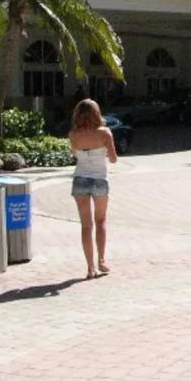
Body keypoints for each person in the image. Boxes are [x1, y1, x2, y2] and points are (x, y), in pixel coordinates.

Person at [69, 99, 118, 279]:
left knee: (86, 225)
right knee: (101, 221)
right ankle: (101, 261)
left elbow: (74, 154)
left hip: (80, 180)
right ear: (97, 113)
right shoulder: (105, 133)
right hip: (99, 180)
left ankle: (90, 267)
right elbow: (113, 159)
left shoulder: (73, 134)